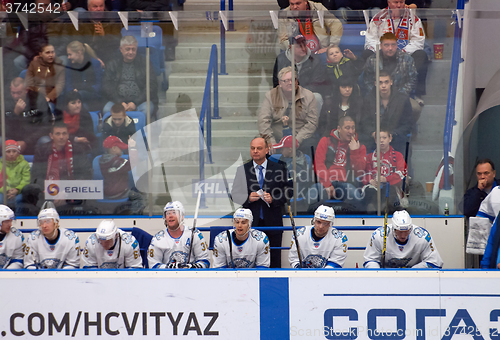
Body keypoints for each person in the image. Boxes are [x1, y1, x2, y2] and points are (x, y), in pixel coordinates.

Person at [232, 136, 288, 268]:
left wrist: (273, 199)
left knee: (274, 261)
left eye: (259, 148)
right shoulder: (242, 170)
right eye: (253, 148)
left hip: (273, 223)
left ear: (267, 150)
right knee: (250, 260)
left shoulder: (279, 168)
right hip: (250, 225)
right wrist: (247, 198)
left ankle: (274, 286)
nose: (255, 151)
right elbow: (234, 194)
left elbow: (288, 192)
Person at [364, 0, 428, 104]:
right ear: (388, 2)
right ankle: (371, 93)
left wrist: (402, 52)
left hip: (405, 55)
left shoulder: (413, 18)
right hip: (383, 54)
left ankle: (417, 94)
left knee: (421, 55)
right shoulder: (379, 17)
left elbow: (418, 41)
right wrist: (383, 50)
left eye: (401, 2)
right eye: (395, 2)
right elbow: (370, 39)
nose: (399, 5)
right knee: (367, 53)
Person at [258, 66, 318, 155]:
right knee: (260, 145)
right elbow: (263, 121)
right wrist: (271, 141)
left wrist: (297, 140)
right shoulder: (270, 95)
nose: (290, 83)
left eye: (293, 80)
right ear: (280, 83)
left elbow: (312, 122)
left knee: (312, 144)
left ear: (297, 81)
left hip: (300, 137)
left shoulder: (309, 96)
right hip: (277, 137)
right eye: (286, 80)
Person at [312, 116, 366, 204]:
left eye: (353, 128)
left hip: (346, 183)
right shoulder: (325, 141)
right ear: (339, 129)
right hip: (326, 182)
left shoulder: (360, 146)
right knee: (313, 194)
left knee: (356, 198)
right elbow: (319, 164)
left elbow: (359, 172)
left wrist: (354, 152)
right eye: (347, 128)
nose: (351, 131)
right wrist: (327, 184)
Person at [363, 210, 443, 268]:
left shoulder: (422, 237)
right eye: (400, 232)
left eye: (406, 231)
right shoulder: (379, 236)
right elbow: (370, 260)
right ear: (393, 229)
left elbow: (435, 262)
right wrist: (377, 275)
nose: (403, 235)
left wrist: (414, 272)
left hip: (414, 279)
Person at [102, 36, 158, 118]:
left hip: (140, 102)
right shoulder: (112, 64)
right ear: (121, 49)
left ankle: (139, 131)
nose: (131, 52)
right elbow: (106, 86)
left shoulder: (145, 63)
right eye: (127, 49)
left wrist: (135, 102)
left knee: (146, 110)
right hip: (116, 101)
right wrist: (119, 102)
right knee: (107, 110)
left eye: (133, 49)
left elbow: (152, 86)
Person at [358, 71, 414, 153]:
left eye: (386, 82)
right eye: (380, 82)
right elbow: (364, 121)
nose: (383, 86)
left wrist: (393, 134)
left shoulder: (403, 99)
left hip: (396, 138)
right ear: (375, 83)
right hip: (374, 139)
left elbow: (408, 123)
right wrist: (373, 133)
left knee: (404, 143)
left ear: (391, 82)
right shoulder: (368, 99)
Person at [147, 201, 210, 269]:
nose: (170, 216)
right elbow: (153, 265)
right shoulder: (158, 239)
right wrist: (169, 268)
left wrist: (192, 267)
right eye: (168, 213)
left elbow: (205, 261)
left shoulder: (195, 234)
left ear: (182, 216)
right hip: (167, 278)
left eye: (174, 213)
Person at [30, 122, 92, 189]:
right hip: (48, 188)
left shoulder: (78, 150)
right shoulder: (41, 150)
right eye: (58, 134)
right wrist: (51, 189)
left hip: (72, 188)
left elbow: (86, 174)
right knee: (29, 189)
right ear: (51, 136)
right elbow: (36, 176)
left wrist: (66, 190)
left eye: (64, 134)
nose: (61, 137)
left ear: (68, 135)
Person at [272, 34, 327, 111]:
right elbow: (276, 82)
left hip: (306, 94)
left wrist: (299, 93)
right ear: (291, 47)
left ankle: (312, 122)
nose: (303, 48)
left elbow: (317, 83)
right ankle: (284, 122)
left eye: (304, 45)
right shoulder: (281, 59)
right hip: (287, 93)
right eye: (299, 46)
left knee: (317, 97)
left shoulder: (315, 60)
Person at [359, 129, 407, 211]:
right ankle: (372, 210)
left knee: (389, 189)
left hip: (391, 188)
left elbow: (402, 173)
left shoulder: (398, 156)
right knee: (370, 190)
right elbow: (363, 173)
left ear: (390, 138)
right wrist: (370, 180)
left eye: (384, 137)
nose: (381, 140)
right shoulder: (370, 157)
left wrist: (386, 179)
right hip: (374, 188)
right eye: (379, 138)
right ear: (375, 140)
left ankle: (385, 208)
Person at [5, 77, 52, 154]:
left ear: (26, 90)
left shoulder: (38, 99)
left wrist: (26, 142)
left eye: (19, 93)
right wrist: (15, 114)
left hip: (34, 140)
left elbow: (46, 126)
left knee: (46, 141)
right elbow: (3, 128)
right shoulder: (5, 101)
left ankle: (42, 166)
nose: (15, 96)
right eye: (13, 92)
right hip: (11, 140)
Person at [278, 0, 343, 54]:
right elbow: (283, 39)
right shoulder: (284, 15)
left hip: (320, 51)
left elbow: (336, 24)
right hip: (297, 54)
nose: (295, 7)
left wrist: (331, 46)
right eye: (292, 4)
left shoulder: (318, 8)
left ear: (305, 1)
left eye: (298, 3)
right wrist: (295, 50)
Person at [363, 32, 418, 97]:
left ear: (397, 45)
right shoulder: (372, 60)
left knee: (415, 107)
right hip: (377, 98)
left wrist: (398, 95)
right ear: (381, 46)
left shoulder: (407, 59)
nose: (390, 48)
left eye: (393, 45)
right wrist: (379, 94)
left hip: (401, 98)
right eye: (386, 45)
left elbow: (412, 80)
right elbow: (367, 81)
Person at [64, 41, 103, 111]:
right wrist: (73, 94)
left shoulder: (95, 63)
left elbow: (98, 86)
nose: (68, 57)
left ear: (79, 53)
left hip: (93, 98)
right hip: (75, 98)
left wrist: (80, 90)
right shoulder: (69, 66)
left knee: (80, 101)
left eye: (70, 54)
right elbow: (68, 85)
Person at [25, 43, 65, 109]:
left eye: (52, 52)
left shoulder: (59, 65)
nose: (51, 55)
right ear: (40, 54)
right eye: (47, 53)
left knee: (48, 109)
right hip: (35, 97)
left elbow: (60, 85)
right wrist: (39, 95)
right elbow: (29, 82)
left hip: (51, 99)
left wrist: (48, 97)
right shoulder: (34, 63)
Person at [0, 205, 24, 269]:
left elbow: (18, 261)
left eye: (10, 221)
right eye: (7, 221)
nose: (10, 224)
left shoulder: (17, 236)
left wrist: (8, 273)